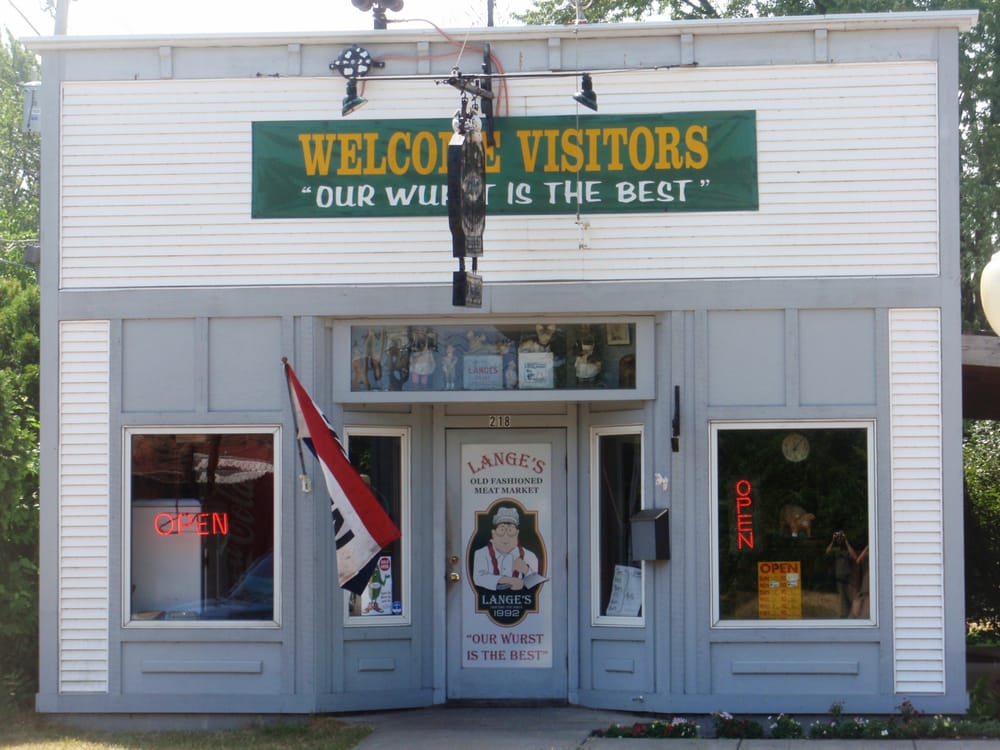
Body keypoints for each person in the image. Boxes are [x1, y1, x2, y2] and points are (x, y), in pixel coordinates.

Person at [472, 505, 539, 590]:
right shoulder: (481, 553)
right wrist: (508, 580)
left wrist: (526, 570)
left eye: (510, 530)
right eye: (501, 530)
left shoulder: (529, 555)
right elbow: (478, 578)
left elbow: (537, 582)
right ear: (493, 533)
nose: (506, 536)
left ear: (517, 533)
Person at [826, 530, 859, 617]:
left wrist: (846, 541)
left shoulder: (847, 550)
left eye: (841, 537)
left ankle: (852, 614)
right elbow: (827, 552)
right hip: (839, 577)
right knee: (842, 598)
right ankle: (844, 614)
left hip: (848, 577)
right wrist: (833, 541)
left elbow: (854, 556)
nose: (839, 539)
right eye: (838, 538)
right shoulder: (835, 550)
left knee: (850, 597)